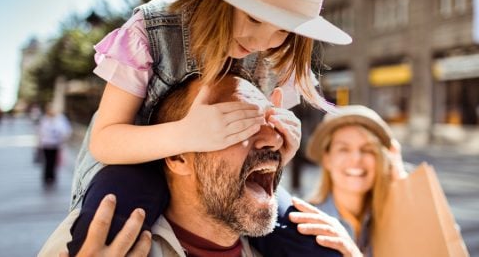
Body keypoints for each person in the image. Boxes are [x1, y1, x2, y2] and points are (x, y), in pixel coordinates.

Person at [65, 0, 352, 254]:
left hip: (219, 175)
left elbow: (252, 146)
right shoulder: (152, 29)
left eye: (282, 29)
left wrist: (276, 146)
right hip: (131, 162)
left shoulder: (276, 55)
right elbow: (104, 140)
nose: (262, 42)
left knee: (314, 241)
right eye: (253, 18)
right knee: (103, 230)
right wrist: (186, 134)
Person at [45, 74, 361, 256]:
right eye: (237, 123)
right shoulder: (94, 245)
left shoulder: (302, 249)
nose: (274, 140)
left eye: (271, 122)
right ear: (178, 155)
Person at [303, 105, 409, 255]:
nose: (356, 159)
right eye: (343, 149)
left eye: (367, 149)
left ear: (381, 160)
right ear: (327, 159)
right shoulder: (306, 223)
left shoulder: (393, 219)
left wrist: (402, 185)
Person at [38, 105, 72, 188]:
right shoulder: (44, 120)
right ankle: (47, 177)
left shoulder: (59, 119)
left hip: (55, 144)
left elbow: (66, 130)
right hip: (46, 145)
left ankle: (52, 177)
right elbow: (40, 132)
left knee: (53, 162)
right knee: (47, 161)